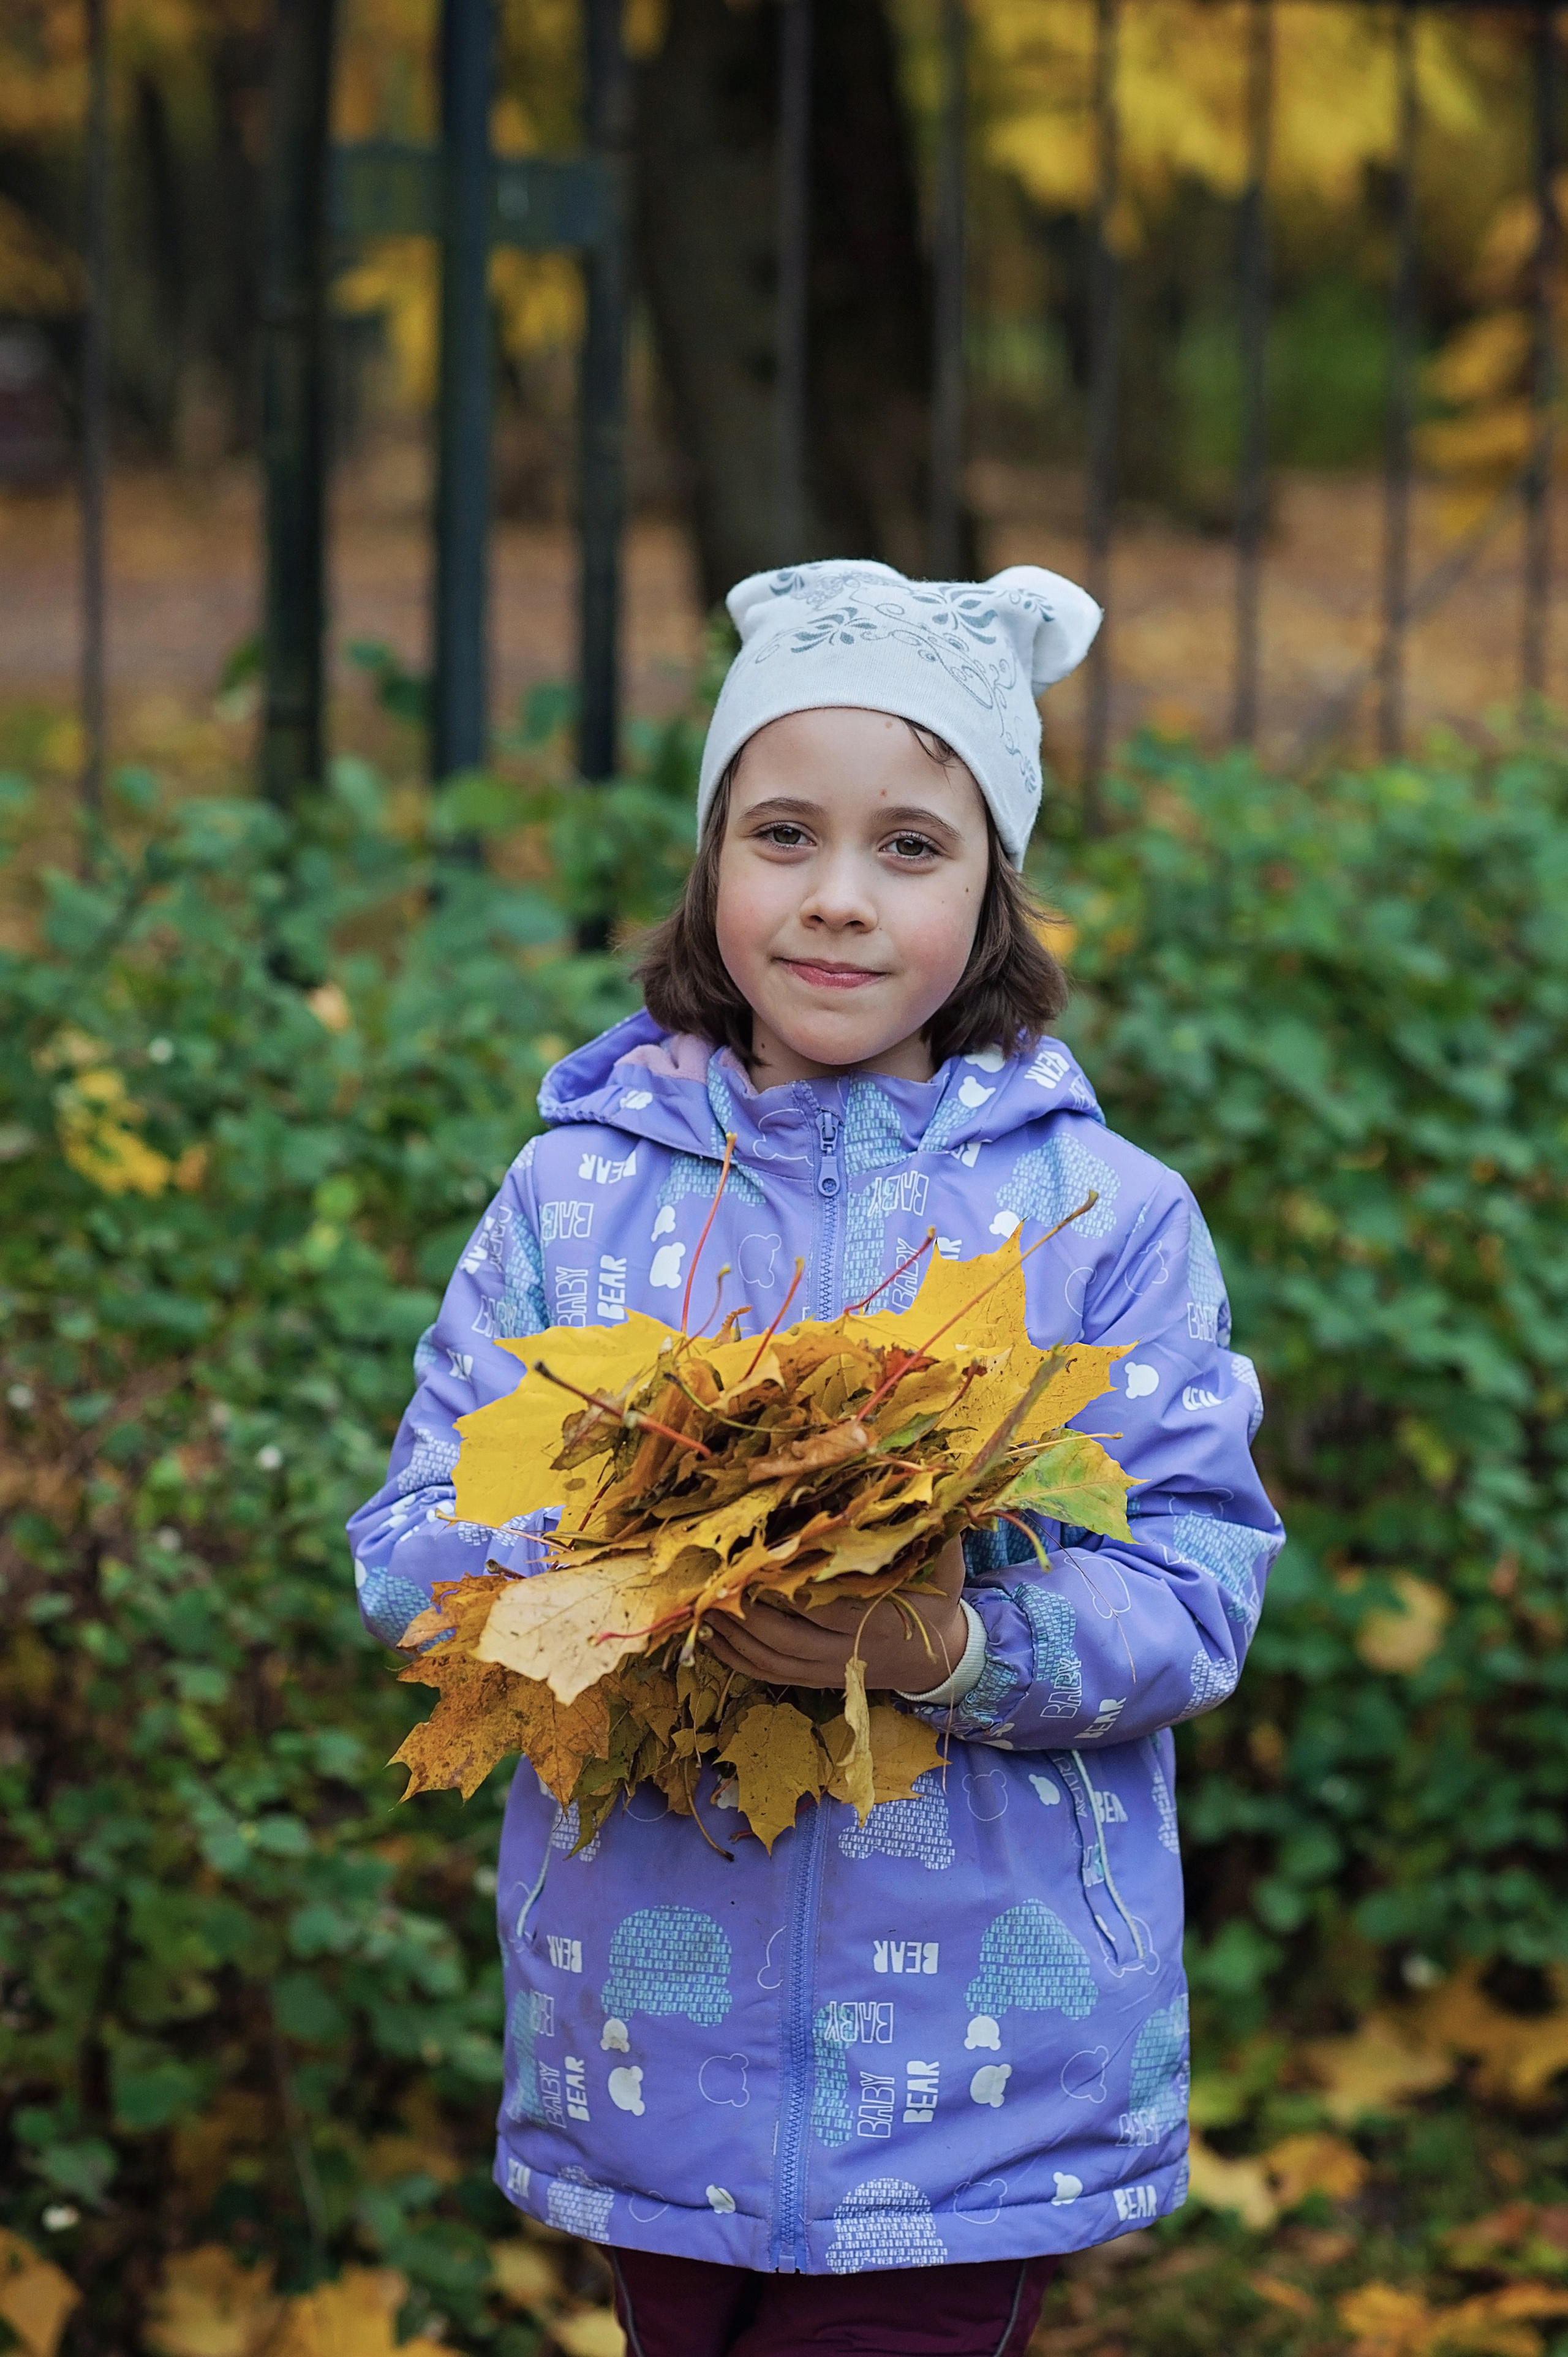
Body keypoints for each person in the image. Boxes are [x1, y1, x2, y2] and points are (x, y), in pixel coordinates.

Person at [347, 560, 1285, 2357]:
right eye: (784, 834)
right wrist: (610, 1566)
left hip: (976, 2092)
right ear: (714, 860)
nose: (838, 895)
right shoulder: (574, 1196)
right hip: (644, 2052)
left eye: (910, 848)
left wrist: (948, 1644)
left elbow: (1195, 1586)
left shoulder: (1102, 1220)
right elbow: (412, 1539)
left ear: (993, 889)